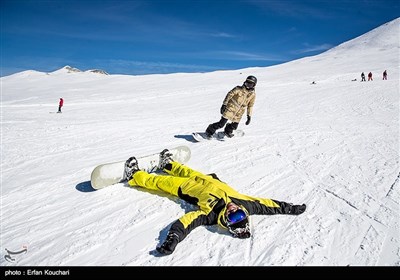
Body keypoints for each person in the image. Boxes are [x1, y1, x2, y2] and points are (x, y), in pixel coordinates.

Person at [123, 149, 307, 255]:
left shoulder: (209, 215)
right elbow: (269, 205)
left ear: (226, 220)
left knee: (158, 182)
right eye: (240, 213)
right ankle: (168, 164)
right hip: (209, 180)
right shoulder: (247, 204)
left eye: (233, 214)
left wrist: (174, 239)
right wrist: (290, 208)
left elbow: (187, 223)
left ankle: (135, 175)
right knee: (186, 169)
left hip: (184, 188)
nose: (234, 209)